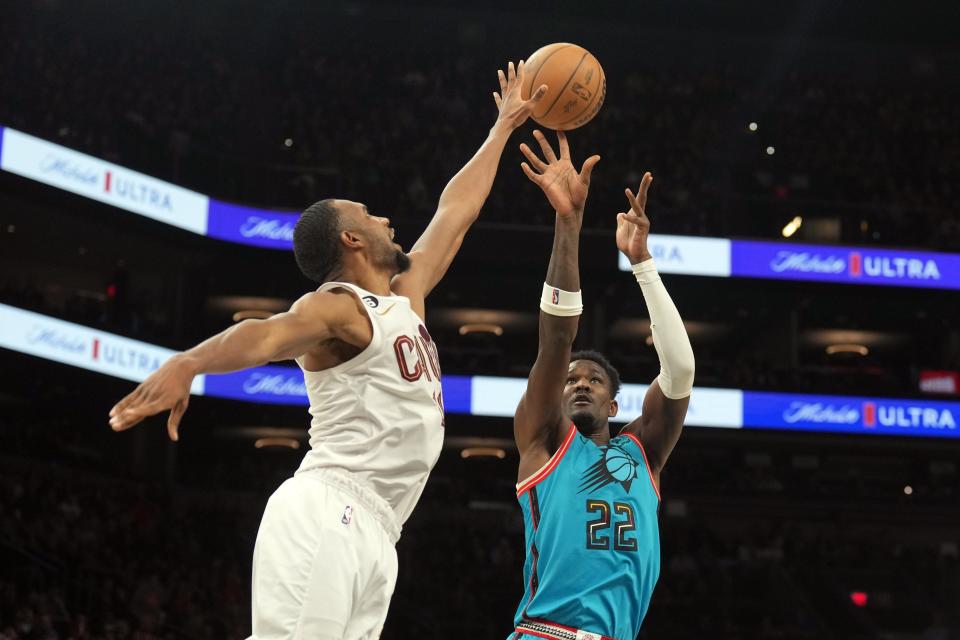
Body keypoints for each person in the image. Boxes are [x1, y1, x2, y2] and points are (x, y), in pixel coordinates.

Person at [107, 61, 547, 640]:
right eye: (370, 215)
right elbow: (264, 335)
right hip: (328, 507)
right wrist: (190, 362)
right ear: (351, 239)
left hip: (381, 532)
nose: (387, 218)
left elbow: (455, 213)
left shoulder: (404, 298)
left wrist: (502, 129)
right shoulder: (339, 306)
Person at [508, 130, 695, 640]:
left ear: (614, 404)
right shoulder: (545, 439)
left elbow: (679, 371)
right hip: (546, 634)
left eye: (593, 379)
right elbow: (556, 338)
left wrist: (642, 262)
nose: (580, 384)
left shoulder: (643, 454)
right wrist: (568, 223)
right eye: (572, 380)